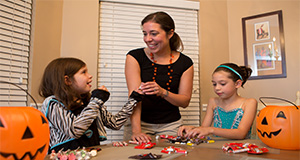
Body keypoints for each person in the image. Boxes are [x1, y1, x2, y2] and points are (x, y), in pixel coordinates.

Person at [39, 57, 144, 153]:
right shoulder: (53, 103)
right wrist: (97, 101)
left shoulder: (89, 102)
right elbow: (75, 130)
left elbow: (115, 123)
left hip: (90, 153)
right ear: (67, 80)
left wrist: (133, 100)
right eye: (83, 72)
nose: (90, 76)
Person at [124, 11, 194, 143]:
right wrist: (136, 131)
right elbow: (134, 98)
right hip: (140, 124)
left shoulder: (185, 63)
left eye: (154, 34)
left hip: (171, 126)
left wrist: (163, 92)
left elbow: (184, 102)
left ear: (170, 33)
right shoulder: (134, 57)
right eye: (145, 34)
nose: (148, 39)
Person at [178, 63, 257, 139]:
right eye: (214, 84)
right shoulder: (213, 102)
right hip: (217, 148)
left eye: (222, 84)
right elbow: (204, 128)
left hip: (240, 149)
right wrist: (192, 129)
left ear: (237, 84)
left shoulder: (249, 103)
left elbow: (241, 133)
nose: (217, 88)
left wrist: (211, 129)